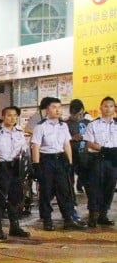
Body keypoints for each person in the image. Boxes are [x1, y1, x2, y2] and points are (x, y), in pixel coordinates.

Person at [31, 97, 85, 231]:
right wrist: (36, 165)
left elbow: (67, 144)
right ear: (47, 110)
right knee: (46, 191)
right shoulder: (40, 127)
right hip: (46, 160)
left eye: (59, 107)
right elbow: (36, 146)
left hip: (60, 159)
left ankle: (68, 219)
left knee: (65, 190)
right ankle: (47, 220)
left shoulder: (63, 126)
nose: (58, 110)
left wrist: (70, 162)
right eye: (54, 107)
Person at [0, 106, 31, 241]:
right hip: (2, 167)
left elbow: (24, 150)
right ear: (3, 117)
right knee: (1, 198)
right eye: (9, 115)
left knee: (15, 198)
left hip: (16, 168)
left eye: (15, 116)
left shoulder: (19, 132)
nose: (12, 118)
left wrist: (28, 166)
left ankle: (14, 226)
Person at [83, 95, 116, 227]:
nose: (108, 109)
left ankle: (103, 215)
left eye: (111, 106)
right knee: (95, 188)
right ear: (100, 108)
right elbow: (89, 143)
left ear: (114, 108)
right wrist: (104, 150)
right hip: (98, 159)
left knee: (110, 187)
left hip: (114, 160)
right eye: (105, 106)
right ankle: (93, 215)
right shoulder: (93, 124)